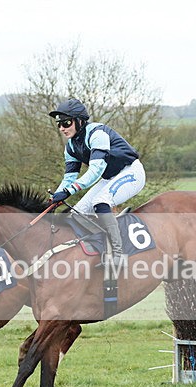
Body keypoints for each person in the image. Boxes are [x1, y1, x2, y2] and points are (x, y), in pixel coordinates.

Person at [48, 98, 146, 266]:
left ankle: (119, 253)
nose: (62, 128)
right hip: (110, 177)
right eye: (59, 124)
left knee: (100, 201)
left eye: (66, 122)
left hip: (131, 171)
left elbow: (95, 171)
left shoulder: (97, 134)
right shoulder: (70, 147)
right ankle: (105, 243)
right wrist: (55, 198)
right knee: (78, 212)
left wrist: (69, 191)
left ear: (79, 121)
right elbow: (69, 178)